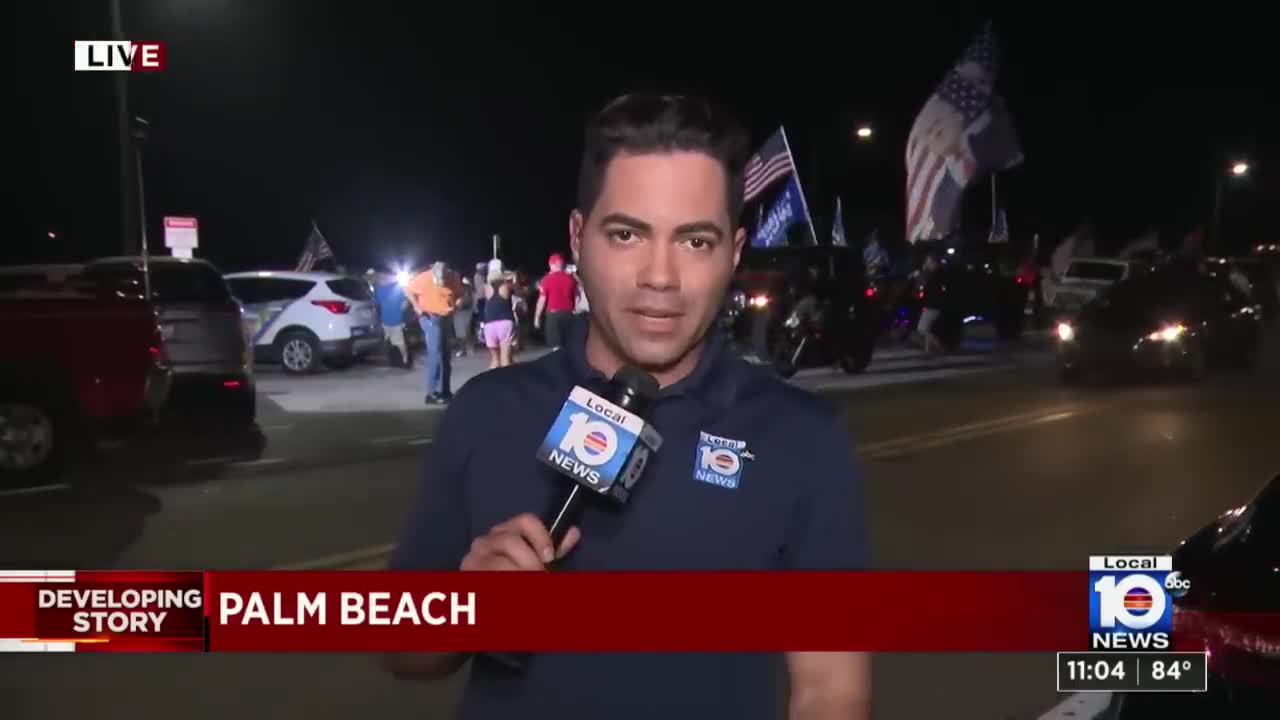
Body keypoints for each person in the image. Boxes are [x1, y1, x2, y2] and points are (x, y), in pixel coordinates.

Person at [384, 93, 871, 720]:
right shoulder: (486, 410)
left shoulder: (805, 439)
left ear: (735, 252)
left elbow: (831, 688)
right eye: (627, 234)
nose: (660, 276)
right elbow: (400, 650)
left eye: (695, 241)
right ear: (579, 238)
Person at [407, 261, 458, 404]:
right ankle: (431, 393)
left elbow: (459, 294)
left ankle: (445, 390)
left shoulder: (454, 277)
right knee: (435, 353)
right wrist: (416, 306)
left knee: (446, 354)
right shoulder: (424, 278)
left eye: (443, 281)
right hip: (429, 317)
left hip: (446, 316)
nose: (441, 283)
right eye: (438, 281)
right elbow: (408, 290)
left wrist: (456, 304)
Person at [534, 252, 578, 349]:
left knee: (556, 346)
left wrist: (537, 317)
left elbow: (542, 300)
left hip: (553, 315)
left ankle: (560, 363)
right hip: (569, 314)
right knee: (569, 344)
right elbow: (576, 296)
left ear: (551, 264)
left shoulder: (546, 280)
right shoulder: (571, 279)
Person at [373, 271, 412, 368]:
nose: (381, 279)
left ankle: (404, 360)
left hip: (394, 322)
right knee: (395, 343)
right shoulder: (382, 290)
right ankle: (402, 360)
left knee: (397, 343)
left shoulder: (396, 289)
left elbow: (406, 304)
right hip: (389, 322)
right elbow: (405, 304)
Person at [480, 273, 516, 369]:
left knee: (494, 360)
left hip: (489, 323)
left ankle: (493, 381)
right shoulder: (506, 286)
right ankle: (508, 382)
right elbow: (517, 291)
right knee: (506, 359)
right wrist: (513, 277)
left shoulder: (486, 288)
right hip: (505, 322)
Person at [917, 254, 945, 354]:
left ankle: (939, 346)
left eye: (929, 262)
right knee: (927, 328)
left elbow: (924, 286)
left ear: (934, 263)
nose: (927, 264)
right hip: (932, 304)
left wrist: (923, 273)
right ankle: (928, 349)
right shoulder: (935, 274)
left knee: (922, 329)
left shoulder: (934, 275)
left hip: (933, 305)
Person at [453, 277, 475, 358]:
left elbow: (469, 299)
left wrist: (462, 302)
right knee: (458, 332)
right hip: (457, 311)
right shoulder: (453, 286)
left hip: (466, 311)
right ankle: (462, 349)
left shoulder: (466, 287)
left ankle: (469, 348)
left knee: (466, 330)